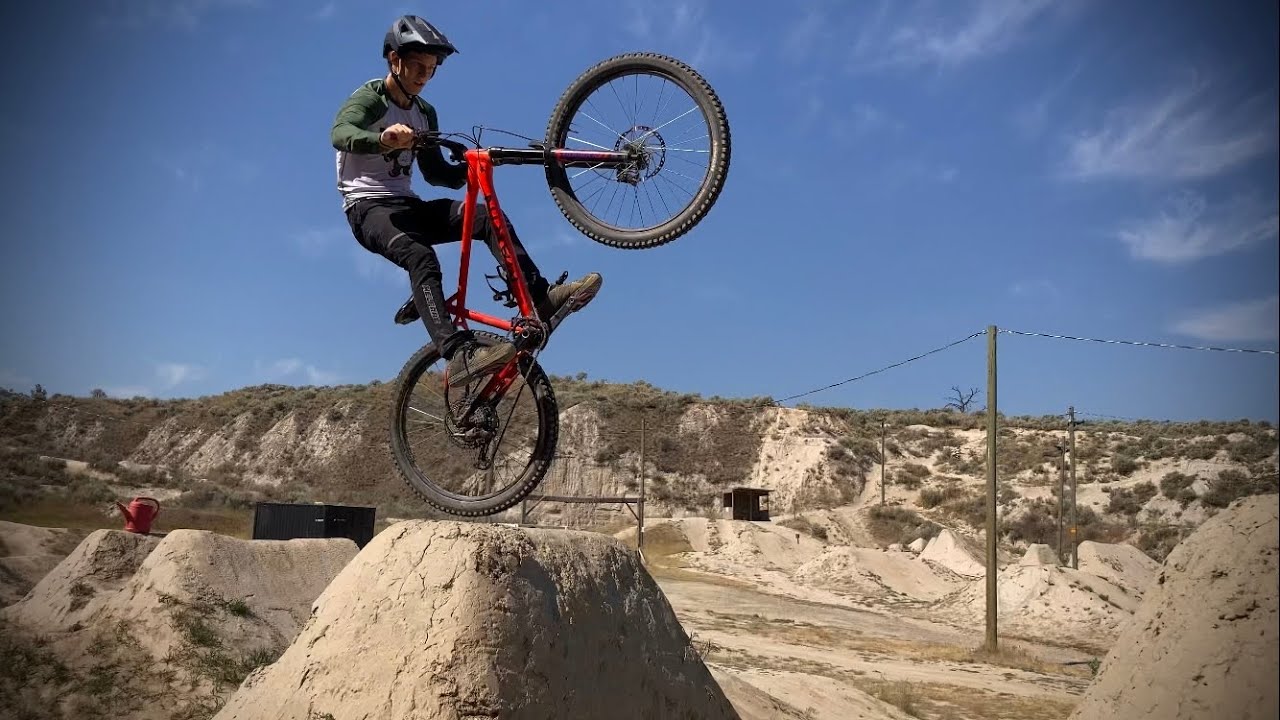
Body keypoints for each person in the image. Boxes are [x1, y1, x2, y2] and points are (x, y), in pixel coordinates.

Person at [331, 15, 602, 387]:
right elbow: (340, 132)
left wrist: (465, 172)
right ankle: (457, 356)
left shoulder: (424, 114)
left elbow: (433, 173)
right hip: (368, 208)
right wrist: (383, 139)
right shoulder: (371, 99)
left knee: (486, 217)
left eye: (431, 70)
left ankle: (539, 296)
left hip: (407, 204)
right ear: (394, 59)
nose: (424, 76)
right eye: (417, 66)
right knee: (420, 257)